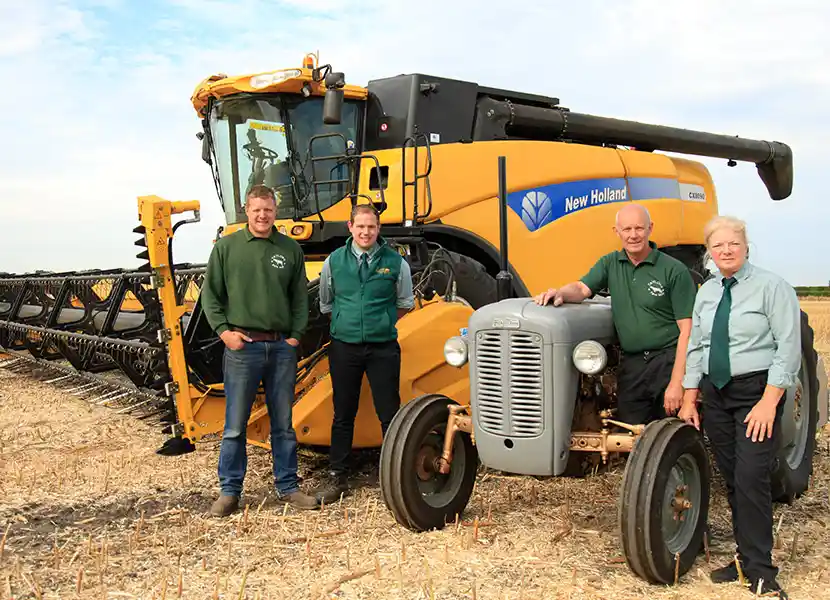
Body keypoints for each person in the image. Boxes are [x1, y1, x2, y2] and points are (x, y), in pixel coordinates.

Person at [679, 215, 799, 599]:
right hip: (716, 394)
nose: (726, 251)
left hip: (755, 394)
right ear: (709, 253)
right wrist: (689, 395)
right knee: (732, 478)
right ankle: (744, 559)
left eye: (733, 244)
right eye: (718, 246)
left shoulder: (771, 287)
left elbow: (788, 348)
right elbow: (696, 345)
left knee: (751, 477)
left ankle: (761, 571)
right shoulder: (708, 292)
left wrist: (769, 401)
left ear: (746, 246)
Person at [200, 184, 319, 516]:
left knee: (283, 422)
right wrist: (225, 334)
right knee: (235, 424)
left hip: (280, 347)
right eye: (256, 210)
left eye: (268, 209)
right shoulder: (227, 248)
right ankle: (229, 492)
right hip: (242, 348)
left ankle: (288, 487)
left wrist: (295, 336)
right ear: (247, 211)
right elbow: (210, 297)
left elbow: (299, 299)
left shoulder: (290, 249)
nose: (262, 215)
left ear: (274, 211)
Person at [533, 203, 696, 424]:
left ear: (650, 228)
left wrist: (677, 383)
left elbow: (687, 331)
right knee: (629, 431)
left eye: (639, 228)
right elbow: (582, 288)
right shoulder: (610, 263)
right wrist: (559, 292)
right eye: (627, 229)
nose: (633, 235)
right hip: (632, 364)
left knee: (669, 431)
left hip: (666, 361)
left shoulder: (674, 270)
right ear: (616, 231)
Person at [312, 203, 415, 504]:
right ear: (350, 227)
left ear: (378, 229)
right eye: (361, 226)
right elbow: (326, 304)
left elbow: (405, 303)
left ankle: (394, 477)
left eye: (371, 227)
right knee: (343, 413)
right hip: (344, 348)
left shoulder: (396, 263)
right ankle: (337, 476)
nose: (366, 232)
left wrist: (379, 323)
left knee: (389, 413)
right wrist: (350, 325)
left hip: (383, 348)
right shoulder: (334, 262)